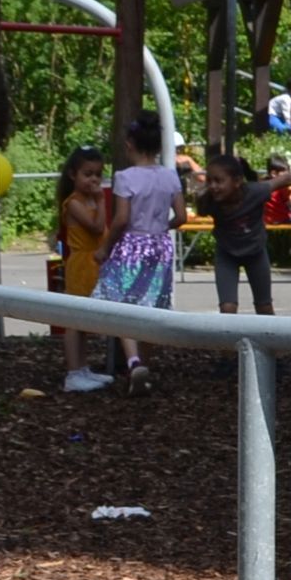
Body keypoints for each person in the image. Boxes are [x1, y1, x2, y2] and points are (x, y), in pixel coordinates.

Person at [94, 114, 184, 391]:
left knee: (120, 302)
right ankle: (146, 365)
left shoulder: (125, 177)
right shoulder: (170, 176)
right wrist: (161, 227)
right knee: (152, 305)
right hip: (160, 245)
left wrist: (105, 248)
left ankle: (133, 361)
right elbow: (181, 216)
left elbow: (121, 218)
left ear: (129, 143)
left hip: (132, 244)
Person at [195, 147, 291, 317]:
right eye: (209, 181)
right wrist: (199, 198)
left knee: (264, 307)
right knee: (227, 308)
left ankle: (271, 341)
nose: (213, 186)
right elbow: (201, 209)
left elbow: (285, 179)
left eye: (219, 181)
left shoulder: (255, 192)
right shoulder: (209, 200)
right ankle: (227, 341)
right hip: (227, 254)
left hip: (255, 253)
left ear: (237, 181)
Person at [54, 147, 116, 394]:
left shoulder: (90, 200)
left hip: (95, 263)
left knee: (85, 318)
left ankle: (83, 368)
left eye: (98, 175)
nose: (93, 180)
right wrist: (102, 201)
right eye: (87, 174)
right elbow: (96, 227)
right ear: (73, 175)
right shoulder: (74, 204)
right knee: (74, 319)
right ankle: (73, 373)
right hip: (81, 263)